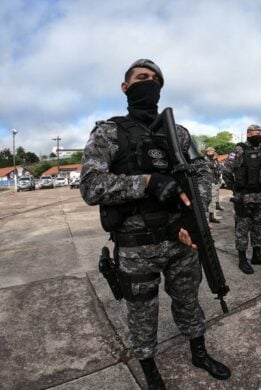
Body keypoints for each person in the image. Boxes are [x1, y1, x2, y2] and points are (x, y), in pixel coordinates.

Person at [79, 59, 230, 389]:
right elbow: (90, 186)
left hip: (181, 239)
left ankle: (199, 352)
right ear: (125, 87)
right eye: (141, 78)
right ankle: (148, 367)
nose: (149, 83)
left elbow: (202, 173)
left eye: (155, 80)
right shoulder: (109, 132)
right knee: (142, 313)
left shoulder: (177, 133)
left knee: (189, 300)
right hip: (137, 247)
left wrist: (196, 215)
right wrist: (146, 182)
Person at [223, 124, 261, 274]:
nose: (259, 135)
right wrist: (236, 189)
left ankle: (257, 255)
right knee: (242, 229)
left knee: (258, 228)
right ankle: (242, 259)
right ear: (248, 134)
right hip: (244, 198)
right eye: (256, 133)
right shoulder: (239, 150)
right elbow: (226, 171)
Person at [205, 147, 222, 224]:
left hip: (215, 181)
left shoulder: (213, 160)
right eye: (213, 152)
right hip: (210, 182)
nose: (214, 153)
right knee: (211, 199)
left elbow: (217, 168)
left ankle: (211, 215)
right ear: (208, 152)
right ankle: (210, 217)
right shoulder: (206, 161)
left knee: (214, 198)